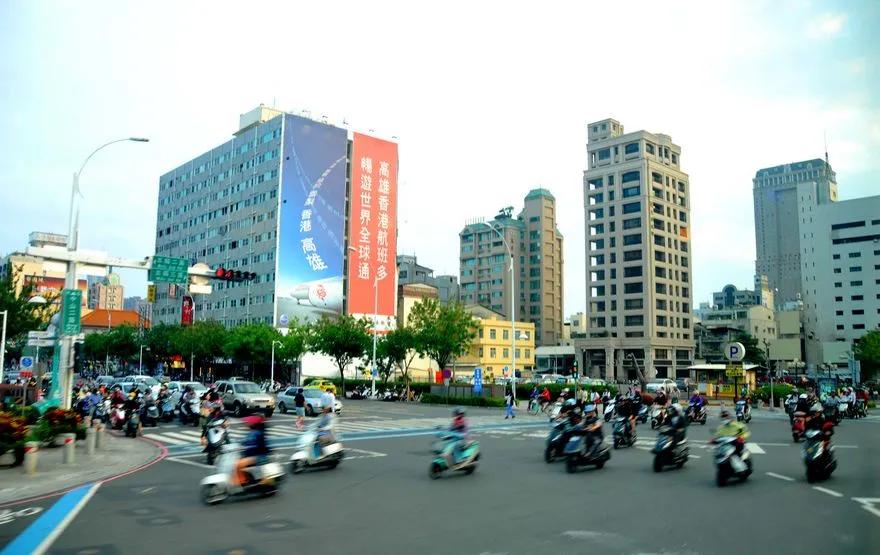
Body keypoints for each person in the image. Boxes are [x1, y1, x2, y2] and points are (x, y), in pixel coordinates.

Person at [235, 415, 270, 487]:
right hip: (254, 455)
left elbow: (254, 445)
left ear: (253, 424)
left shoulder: (256, 433)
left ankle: (243, 482)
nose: (246, 423)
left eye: (248, 422)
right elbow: (246, 442)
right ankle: (248, 479)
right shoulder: (253, 432)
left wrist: (246, 447)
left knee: (239, 464)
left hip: (259, 456)